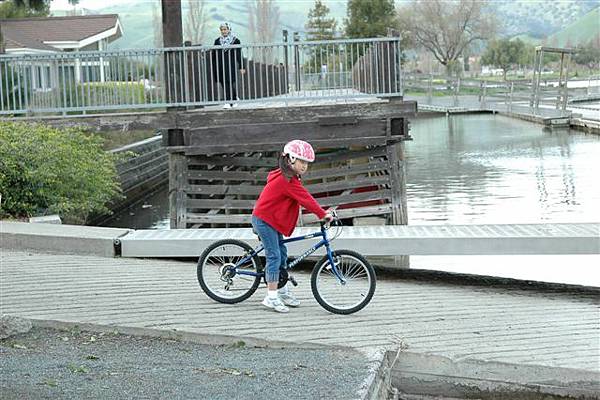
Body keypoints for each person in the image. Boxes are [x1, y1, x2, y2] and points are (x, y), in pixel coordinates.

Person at [252, 140, 333, 313]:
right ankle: (271, 297)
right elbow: (306, 199)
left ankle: (281, 290)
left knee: (282, 253)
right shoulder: (287, 181)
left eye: (307, 163)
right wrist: (322, 214)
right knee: (274, 256)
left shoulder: (288, 176)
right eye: (301, 162)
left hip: (271, 220)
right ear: (290, 160)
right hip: (264, 221)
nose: (304, 166)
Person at [212, 22, 245, 109]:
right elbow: (214, 55)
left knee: (229, 82)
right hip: (220, 66)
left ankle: (228, 101)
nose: (223, 31)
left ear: (229, 30)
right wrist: (214, 66)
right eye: (222, 30)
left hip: (231, 65)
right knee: (223, 83)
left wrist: (242, 66)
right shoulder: (217, 41)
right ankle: (233, 99)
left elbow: (239, 54)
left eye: (225, 29)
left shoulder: (235, 41)